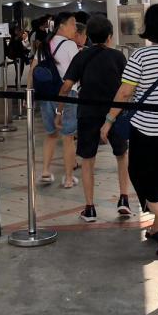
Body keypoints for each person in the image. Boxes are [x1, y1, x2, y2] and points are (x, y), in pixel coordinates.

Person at [101, 3, 158, 256]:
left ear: (150, 27)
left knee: (139, 173)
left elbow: (125, 92)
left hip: (147, 128)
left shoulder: (140, 56)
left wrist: (108, 119)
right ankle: (157, 226)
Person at [57, 16, 132, 222]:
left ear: (88, 36)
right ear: (110, 36)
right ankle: (124, 199)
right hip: (114, 113)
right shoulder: (118, 57)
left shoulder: (81, 57)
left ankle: (89, 208)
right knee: (121, 155)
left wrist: (59, 111)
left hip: (88, 113)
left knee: (88, 160)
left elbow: (66, 86)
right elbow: (127, 89)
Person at [30, 12, 79, 188]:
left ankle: (45, 171)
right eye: (73, 24)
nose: (75, 28)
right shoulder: (70, 45)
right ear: (62, 26)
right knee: (68, 137)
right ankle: (67, 178)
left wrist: (29, 93)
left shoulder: (45, 44)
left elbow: (33, 69)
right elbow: (76, 71)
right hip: (68, 95)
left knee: (51, 134)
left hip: (46, 95)